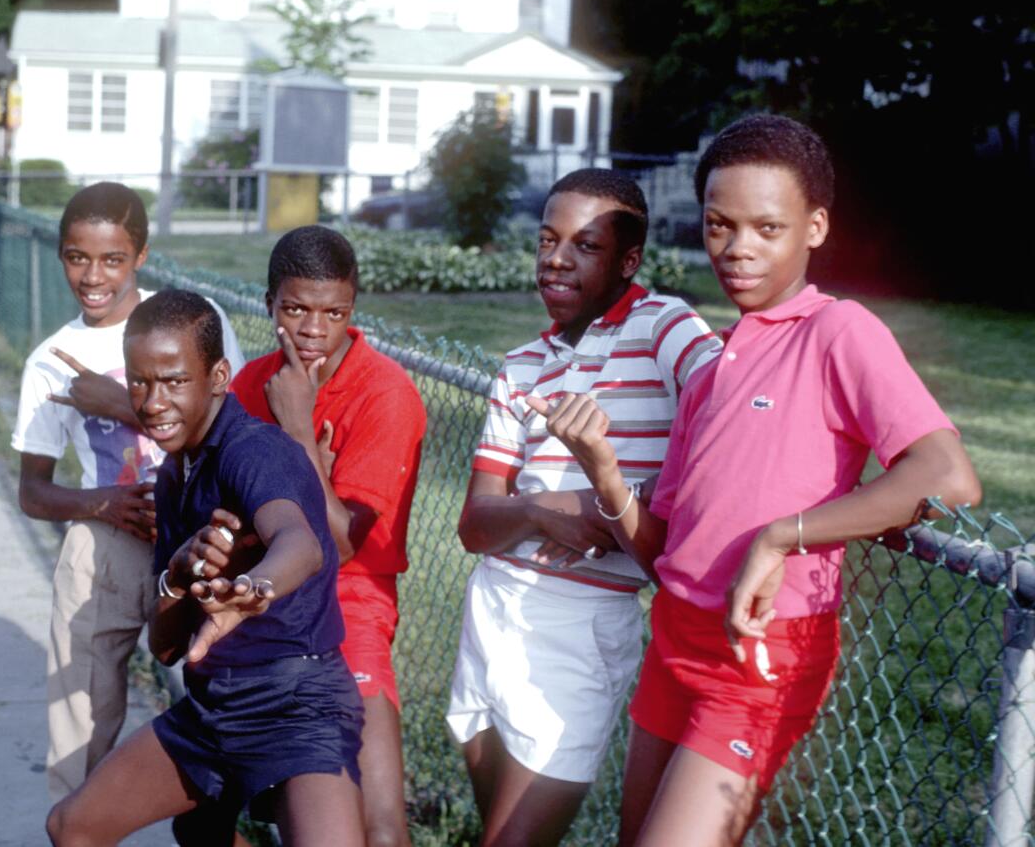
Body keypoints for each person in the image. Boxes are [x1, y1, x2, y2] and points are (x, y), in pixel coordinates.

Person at [530, 113, 982, 846]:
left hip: (759, 654)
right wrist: (604, 469)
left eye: (767, 228)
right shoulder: (713, 370)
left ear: (815, 227)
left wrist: (784, 535)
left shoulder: (840, 332)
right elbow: (663, 552)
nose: (737, 250)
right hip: (674, 638)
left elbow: (948, 474)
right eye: (718, 225)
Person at [448, 168, 723, 845]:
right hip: (491, 611)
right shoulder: (521, 366)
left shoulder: (666, 328)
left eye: (585, 244)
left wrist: (617, 500)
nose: (556, 258)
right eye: (547, 239)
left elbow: (734, 414)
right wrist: (544, 509)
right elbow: (475, 525)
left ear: (629, 260)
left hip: (578, 628)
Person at [46, 289, 365, 847]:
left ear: (218, 376)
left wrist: (252, 588)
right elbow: (167, 648)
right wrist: (177, 577)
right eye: (139, 381)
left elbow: (300, 543)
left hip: (296, 702)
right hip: (215, 706)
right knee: (73, 827)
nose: (150, 402)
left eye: (173, 381)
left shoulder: (254, 451)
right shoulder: (174, 475)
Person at [10, 181, 243, 799]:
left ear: (140, 256)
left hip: (199, 538)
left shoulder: (192, 321)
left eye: (112, 258)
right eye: (76, 257)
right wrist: (101, 504)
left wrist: (121, 405)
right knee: (80, 722)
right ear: (60, 254)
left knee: (218, 700)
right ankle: (76, 825)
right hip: (108, 545)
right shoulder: (51, 359)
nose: (92, 276)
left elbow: (232, 428)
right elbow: (32, 492)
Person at [229, 225, 426, 847]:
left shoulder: (384, 393)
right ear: (269, 304)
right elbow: (225, 518)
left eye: (334, 312)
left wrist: (294, 432)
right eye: (296, 309)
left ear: (353, 308)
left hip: (350, 608)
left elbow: (341, 545)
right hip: (262, 606)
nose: (315, 330)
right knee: (267, 820)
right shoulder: (244, 386)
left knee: (381, 826)